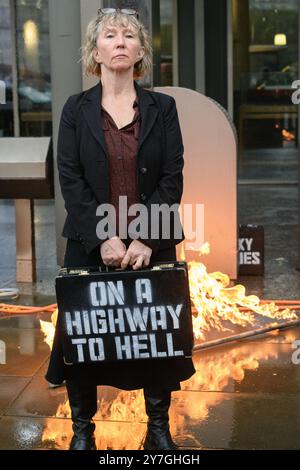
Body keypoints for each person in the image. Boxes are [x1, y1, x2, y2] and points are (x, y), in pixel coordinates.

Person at [46, 8, 195, 451]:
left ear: (140, 52)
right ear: (96, 51)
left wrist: (144, 238)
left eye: (129, 35)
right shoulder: (75, 109)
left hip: (153, 238)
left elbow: (173, 175)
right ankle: (83, 432)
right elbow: (69, 176)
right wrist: (104, 237)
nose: (120, 41)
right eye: (110, 35)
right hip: (92, 241)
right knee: (83, 334)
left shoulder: (163, 108)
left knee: (157, 335)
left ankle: (158, 429)